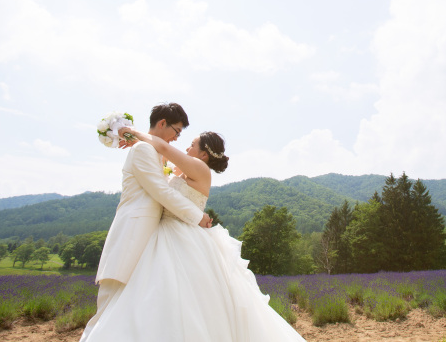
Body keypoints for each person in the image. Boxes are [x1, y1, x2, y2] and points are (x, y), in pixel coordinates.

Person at [81, 126, 306, 341]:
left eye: (192, 144)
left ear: (204, 154)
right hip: (165, 233)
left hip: (182, 235)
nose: (187, 148)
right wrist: (139, 144)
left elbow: (164, 148)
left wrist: (134, 132)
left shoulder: (200, 168)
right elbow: (160, 162)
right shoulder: (184, 171)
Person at [80, 103, 213, 341]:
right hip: (131, 235)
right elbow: (161, 191)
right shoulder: (143, 150)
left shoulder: (152, 151)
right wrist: (197, 216)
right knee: (108, 314)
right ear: (162, 123)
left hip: (149, 241)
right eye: (176, 131)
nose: (177, 138)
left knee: (132, 316)